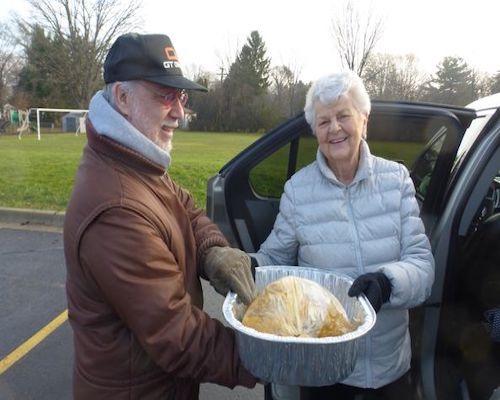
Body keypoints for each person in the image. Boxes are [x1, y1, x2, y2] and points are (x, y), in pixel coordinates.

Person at [63, 32, 257, 400]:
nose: (180, 112)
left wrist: (213, 251)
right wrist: (269, 355)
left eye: (181, 96)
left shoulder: (134, 159)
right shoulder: (116, 208)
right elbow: (179, 337)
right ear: (122, 97)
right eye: (164, 95)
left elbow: (182, 205)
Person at [253, 70, 435, 400]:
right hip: (325, 372)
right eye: (323, 122)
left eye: (343, 116)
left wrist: (387, 281)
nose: (334, 128)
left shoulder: (396, 181)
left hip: (389, 368)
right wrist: (243, 265)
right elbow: (273, 259)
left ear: (364, 119)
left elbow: (423, 267)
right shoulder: (298, 191)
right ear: (315, 131)